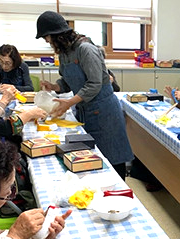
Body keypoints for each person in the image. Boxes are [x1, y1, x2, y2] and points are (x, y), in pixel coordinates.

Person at [35, 10, 133, 180]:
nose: (47, 41)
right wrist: (53, 86)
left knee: (112, 158)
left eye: (47, 38)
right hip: (85, 111)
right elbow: (67, 82)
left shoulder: (85, 49)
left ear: (56, 35)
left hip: (104, 112)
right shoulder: (65, 53)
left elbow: (94, 84)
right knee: (92, 160)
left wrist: (69, 102)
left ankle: (119, 194)